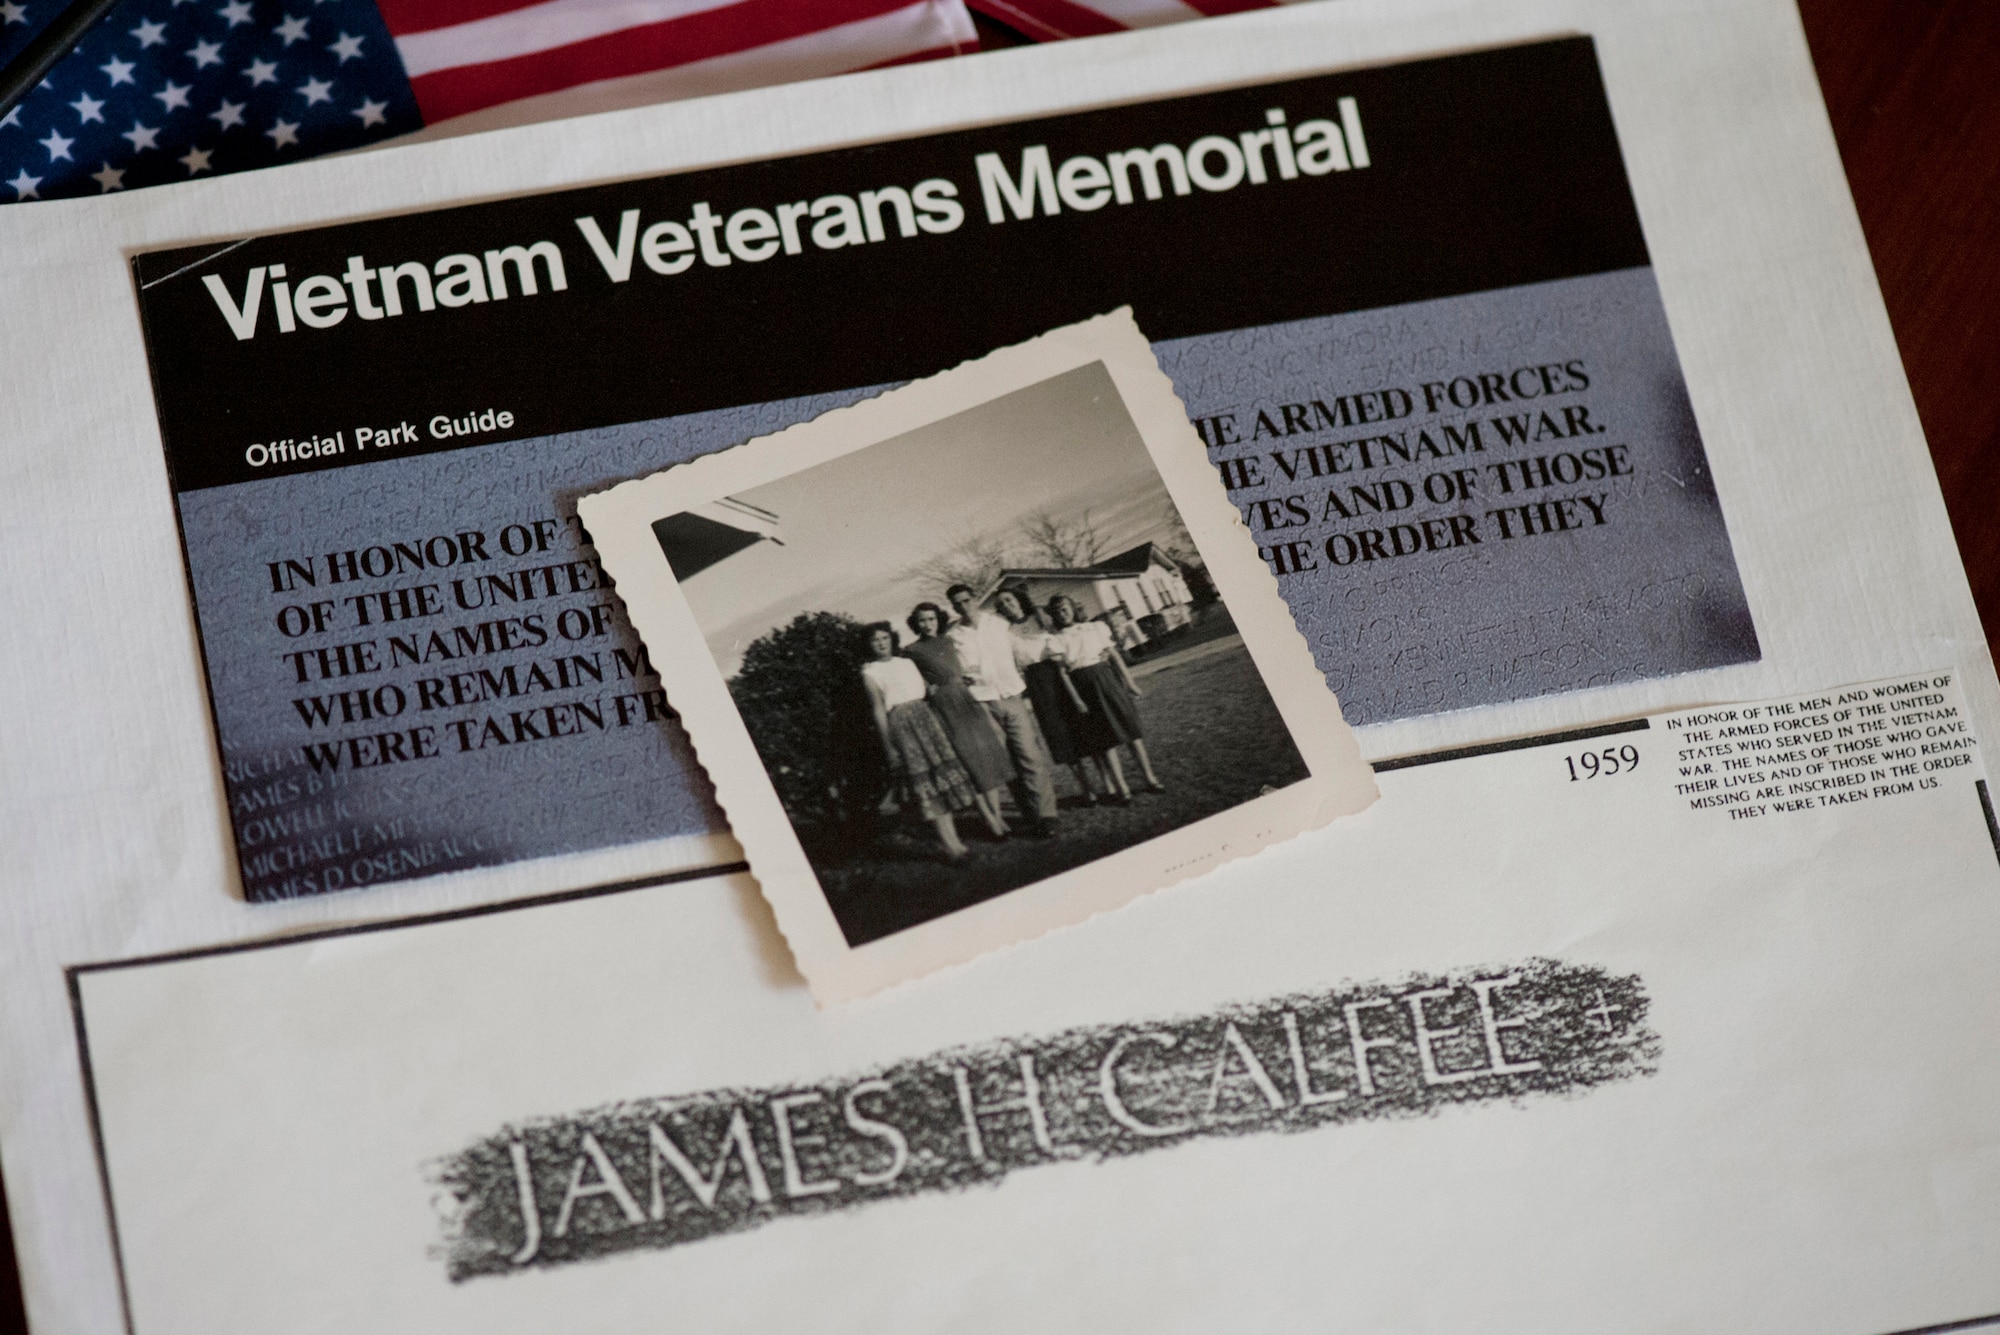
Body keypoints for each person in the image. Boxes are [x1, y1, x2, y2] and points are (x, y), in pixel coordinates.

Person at [946, 582, 1060, 838]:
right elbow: (951, 669)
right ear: (953, 607)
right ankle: (1030, 814)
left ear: (975, 599)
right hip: (982, 703)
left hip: (1011, 696)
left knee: (1029, 756)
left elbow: (1023, 647)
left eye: (966, 600)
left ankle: (1047, 815)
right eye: (957, 604)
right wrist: (958, 681)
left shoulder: (998, 623)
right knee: (1006, 762)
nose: (963, 607)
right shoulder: (953, 636)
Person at [858, 623, 979, 863]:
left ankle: (955, 842)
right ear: (869, 645)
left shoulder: (906, 663)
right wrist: (889, 745)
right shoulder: (869, 673)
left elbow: (924, 690)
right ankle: (951, 847)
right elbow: (879, 710)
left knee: (942, 781)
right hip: (902, 725)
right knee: (928, 786)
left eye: (884, 638)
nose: (881, 643)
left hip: (926, 718)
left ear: (891, 639)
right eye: (875, 640)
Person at [904, 602, 1013, 839]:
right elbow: (913, 680)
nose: (928, 624)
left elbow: (965, 665)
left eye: (931, 619)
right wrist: (927, 689)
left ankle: (999, 816)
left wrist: (968, 678)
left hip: (967, 699)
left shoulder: (950, 641)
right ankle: (990, 819)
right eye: (922, 620)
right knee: (967, 762)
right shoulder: (912, 650)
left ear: (938, 619)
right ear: (916, 623)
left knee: (986, 758)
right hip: (943, 706)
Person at [992, 585, 1104, 806]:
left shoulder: (1041, 616)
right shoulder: (1005, 632)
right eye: (1001, 604)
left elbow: (1064, 634)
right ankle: (1086, 788)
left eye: (1009, 600)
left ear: (1018, 599)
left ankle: (1108, 782)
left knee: (1084, 728)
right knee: (1060, 735)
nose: (1006, 605)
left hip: (1059, 674)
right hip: (1036, 683)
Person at [1048, 594, 1165, 797]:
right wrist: (1076, 699)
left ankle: (1150, 778)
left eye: (1065, 608)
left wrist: (1129, 683)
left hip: (1107, 679)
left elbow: (1114, 656)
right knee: (1105, 740)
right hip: (1082, 684)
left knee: (1131, 732)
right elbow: (1062, 673)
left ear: (1073, 608)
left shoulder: (1095, 628)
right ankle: (1122, 787)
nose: (1062, 613)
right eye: (1057, 611)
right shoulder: (1057, 639)